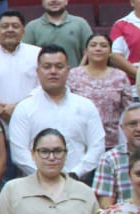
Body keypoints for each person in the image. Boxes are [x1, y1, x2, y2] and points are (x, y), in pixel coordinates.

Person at [8, 46, 105, 180]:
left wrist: (75, 174)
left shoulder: (86, 106)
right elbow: (19, 153)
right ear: (38, 71)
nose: (53, 71)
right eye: (47, 67)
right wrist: (44, 176)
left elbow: (97, 147)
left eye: (59, 66)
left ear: (68, 70)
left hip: (78, 183)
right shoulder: (25, 108)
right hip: (35, 185)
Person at [67, 33, 133, 149]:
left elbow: (128, 110)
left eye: (103, 45)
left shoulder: (120, 76)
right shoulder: (73, 75)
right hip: (80, 140)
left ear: (110, 51)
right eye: (93, 45)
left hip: (112, 141)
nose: (98, 49)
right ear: (86, 51)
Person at [22, 0, 93, 66]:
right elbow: (25, 56)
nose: (54, 0)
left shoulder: (80, 24)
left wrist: (77, 73)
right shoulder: (32, 27)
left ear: (66, 0)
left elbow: (89, 52)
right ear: (43, 2)